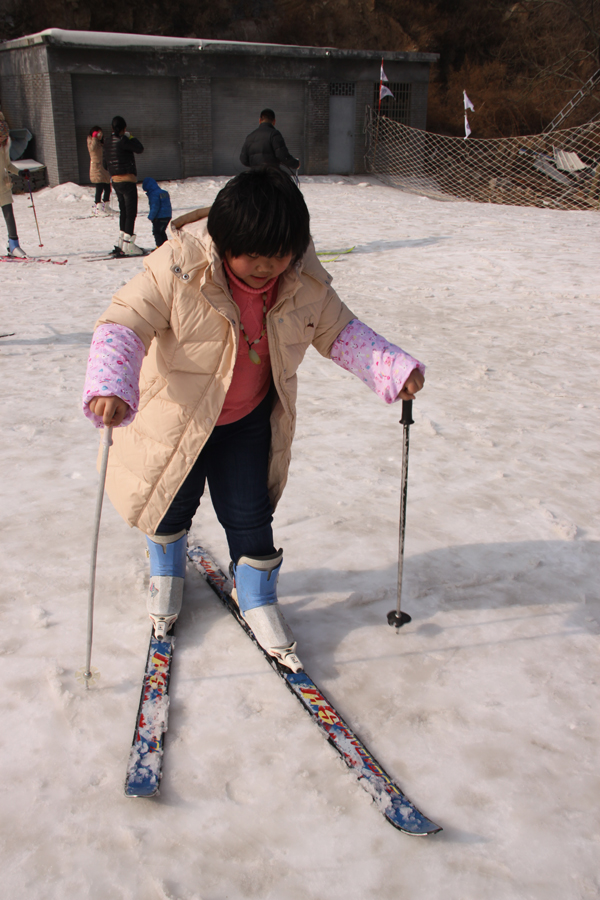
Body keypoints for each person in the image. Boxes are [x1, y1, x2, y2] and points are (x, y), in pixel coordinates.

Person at [81, 167, 424, 671]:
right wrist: (111, 382)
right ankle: (167, 569)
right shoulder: (178, 268)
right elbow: (125, 320)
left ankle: (258, 598)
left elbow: (342, 331)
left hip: (245, 423)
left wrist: (393, 368)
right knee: (171, 505)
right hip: (180, 423)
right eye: (252, 257)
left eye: (278, 255)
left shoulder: (303, 283)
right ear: (222, 242)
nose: (265, 268)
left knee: (250, 514)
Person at [103, 115, 144, 256]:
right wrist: (130, 137)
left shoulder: (107, 142)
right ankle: (129, 245)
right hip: (127, 180)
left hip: (115, 181)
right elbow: (140, 148)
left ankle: (122, 242)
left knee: (123, 211)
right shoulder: (123, 141)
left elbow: (104, 163)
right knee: (131, 213)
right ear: (124, 128)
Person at [1, 112, 27, 258]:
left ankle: (13, 244)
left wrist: (20, 172)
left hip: (3, 186)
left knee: (9, 214)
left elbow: (8, 164)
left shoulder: (3, 147)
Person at [87, 126, 112, 216]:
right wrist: (94, 137)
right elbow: (92, 148)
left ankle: (106, 207)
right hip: (96, 168)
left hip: (103, 168)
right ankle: (97, 208)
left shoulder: (101, 143)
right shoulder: (91, 141)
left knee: (107, 188)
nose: (100, 135)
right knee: (99, 188)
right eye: (98, 133)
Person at [142, 177, 172, 247]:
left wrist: (151, 216)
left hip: (159, 217)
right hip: (167, 216)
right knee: (162, 232)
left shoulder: (153, 194)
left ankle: (159, 247)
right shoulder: (164, 192)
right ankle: (166, 246)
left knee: (156, 232)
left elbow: (155, 206)